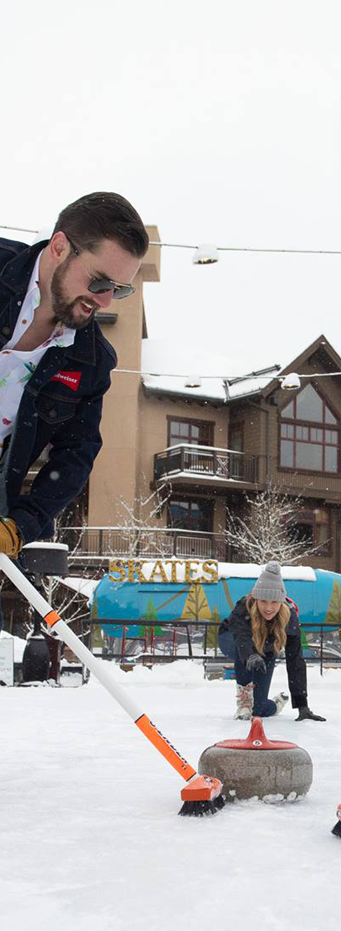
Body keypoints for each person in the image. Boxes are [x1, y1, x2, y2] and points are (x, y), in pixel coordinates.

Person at [0, 191, 148, 623]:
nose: (104, 300)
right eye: (100, 282)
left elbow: (77, 453)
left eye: (119, 290)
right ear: (60, 247)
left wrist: (22, 524)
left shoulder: (90, 361)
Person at [218, 561, 326, 722]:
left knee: (259, 710)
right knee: (243, 648)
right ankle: (244, 702)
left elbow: (295, 660)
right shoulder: (244, 607)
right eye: (263, 601)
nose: (268, 608)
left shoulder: (289, 617)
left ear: (281, 601)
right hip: (231, 640)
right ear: (256, 599)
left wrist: (302, 705)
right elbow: (241, 637)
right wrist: (250, 656)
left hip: (266, 648)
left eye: (274, 602)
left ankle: (275, 703)